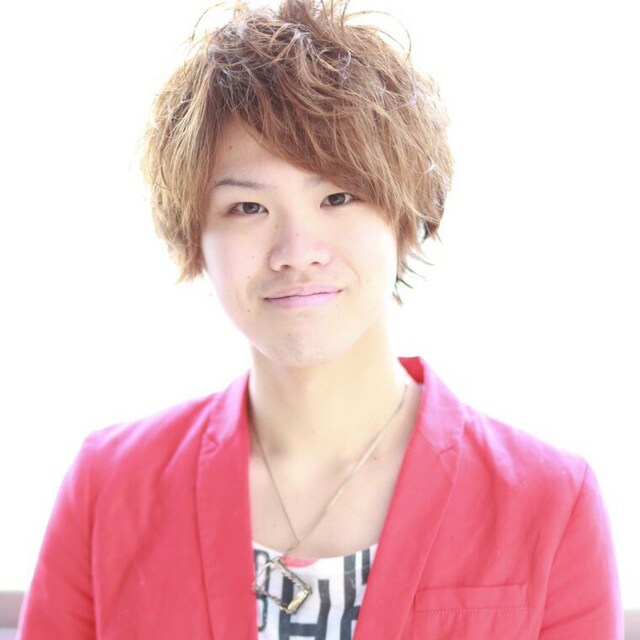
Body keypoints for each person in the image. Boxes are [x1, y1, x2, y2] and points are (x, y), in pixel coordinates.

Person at [17, 1, 622, 638]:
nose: (296, 251)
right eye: (247, 208)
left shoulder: (550, 502)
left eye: (338, 196)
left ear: (405, 218)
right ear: (196, 238)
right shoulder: (109, 488)